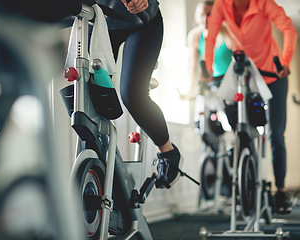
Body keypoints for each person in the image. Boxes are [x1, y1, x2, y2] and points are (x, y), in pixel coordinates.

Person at [203, 0, 298, 213]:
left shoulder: (263, 3)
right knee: (241, 127)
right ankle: (247, 176)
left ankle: (280, 191)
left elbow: (288, 28)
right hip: (246, 74)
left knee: (275, 133)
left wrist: (285, 60)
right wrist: (208, 67)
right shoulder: (222, 5)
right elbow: (211, 36)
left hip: (273, 75)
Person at [96, 0, 182, 189]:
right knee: (93, 93)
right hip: (98, 17)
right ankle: (97, 159)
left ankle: (167, 151)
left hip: (142, 20)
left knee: (132, 94)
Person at [184, 0, 232, 100]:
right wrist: (191, 90)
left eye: (210, 14)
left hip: (229, 82)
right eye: (202, 14)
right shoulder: (195, 36)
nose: (205, 19)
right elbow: (193, 68)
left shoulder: (226, 32)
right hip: (210, 82)